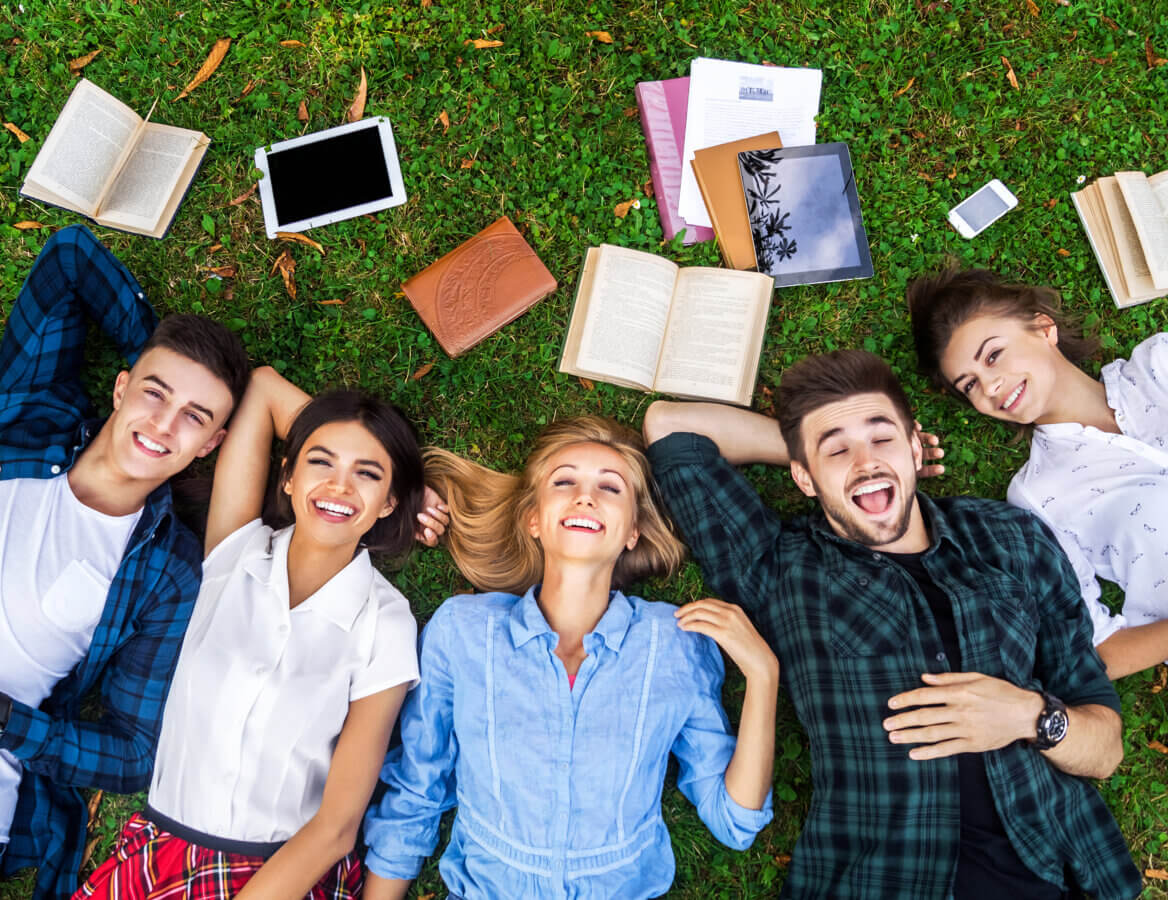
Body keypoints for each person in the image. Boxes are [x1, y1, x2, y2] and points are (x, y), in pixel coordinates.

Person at [642, 350, 1142, 900]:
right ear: (802, 478)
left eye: (882, 439)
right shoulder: (776, 566)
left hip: (1053, 878)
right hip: (876, 883)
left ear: (913, 448)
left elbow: (1106, 750)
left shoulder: (1012, 539)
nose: (865, 462)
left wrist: (1030, 715)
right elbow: (670, 427)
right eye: (837, 449)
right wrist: (809, 452)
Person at [361, 416, 779, 900]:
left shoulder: (675, 642)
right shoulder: (464, 632)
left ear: (632, 532)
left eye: (610, 487)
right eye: (565, 481)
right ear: (533, 519)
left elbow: (736, 821)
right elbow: (417, 790)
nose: (587, 496)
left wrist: (763, 674)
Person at [0, 225, 250, 900]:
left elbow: (132, 753)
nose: (161, 425)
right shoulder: (29, 418)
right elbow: (69, 257)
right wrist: (159, 345)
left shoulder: (165, 572)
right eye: (154, 391)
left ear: (212, 444)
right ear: (120, 386)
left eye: (194, 418)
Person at [74, 366, 428, 900]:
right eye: (320, 462)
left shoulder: (387, 619)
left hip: (282, 877)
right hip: (157, 855)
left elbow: (336, 829)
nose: (338, 486)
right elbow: (262, 388)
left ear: (391, 502)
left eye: (368, 474)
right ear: (286, 476)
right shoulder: (234, 550)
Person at [907, 264, 1168, 680]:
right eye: (969, 385)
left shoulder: (1159, 364)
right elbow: (1101, 651)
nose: (989, 387)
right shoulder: (1039, 496)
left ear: (1043, 327)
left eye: (993, 356)